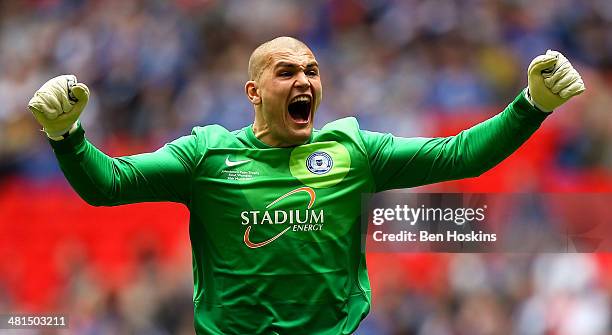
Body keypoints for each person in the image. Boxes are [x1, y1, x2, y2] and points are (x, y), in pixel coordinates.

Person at [28, 36, 585, 334]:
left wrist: (531, 105)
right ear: (253, 91)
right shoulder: (205, 156)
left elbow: (460, 155)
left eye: (312, 70)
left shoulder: (352, 151)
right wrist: (65, 133)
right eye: (287, 71)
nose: (304, 81)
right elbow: (108, 185)